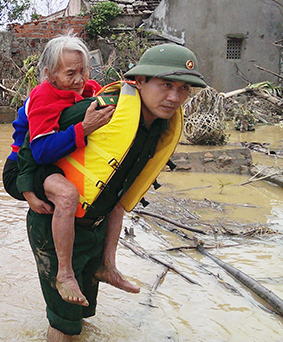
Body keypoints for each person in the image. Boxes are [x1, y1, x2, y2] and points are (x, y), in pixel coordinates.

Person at [18, 43, 206, 341]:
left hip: (96, 230)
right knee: (64, 327)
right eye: (166, 85)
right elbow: (30, 146)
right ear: (140, 81)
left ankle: (108, 264)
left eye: (184, 89)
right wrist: (25, 187)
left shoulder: (160, 124)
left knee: (83, 318)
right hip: (55, 229)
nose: (174, 97)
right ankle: (63, 273)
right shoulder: (99, 109)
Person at [2, 35, 111, 306]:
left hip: (52, 165)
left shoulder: (87, 90)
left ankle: (108, 264)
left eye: (82, 71)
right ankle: (64, 273)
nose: (78, 79)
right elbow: (40, 151)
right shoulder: (43, 96)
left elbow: (108, 95)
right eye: (70, 73)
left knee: (117, 194)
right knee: (67, 195)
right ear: (49, 74)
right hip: (23, 167)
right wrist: (83, 128)